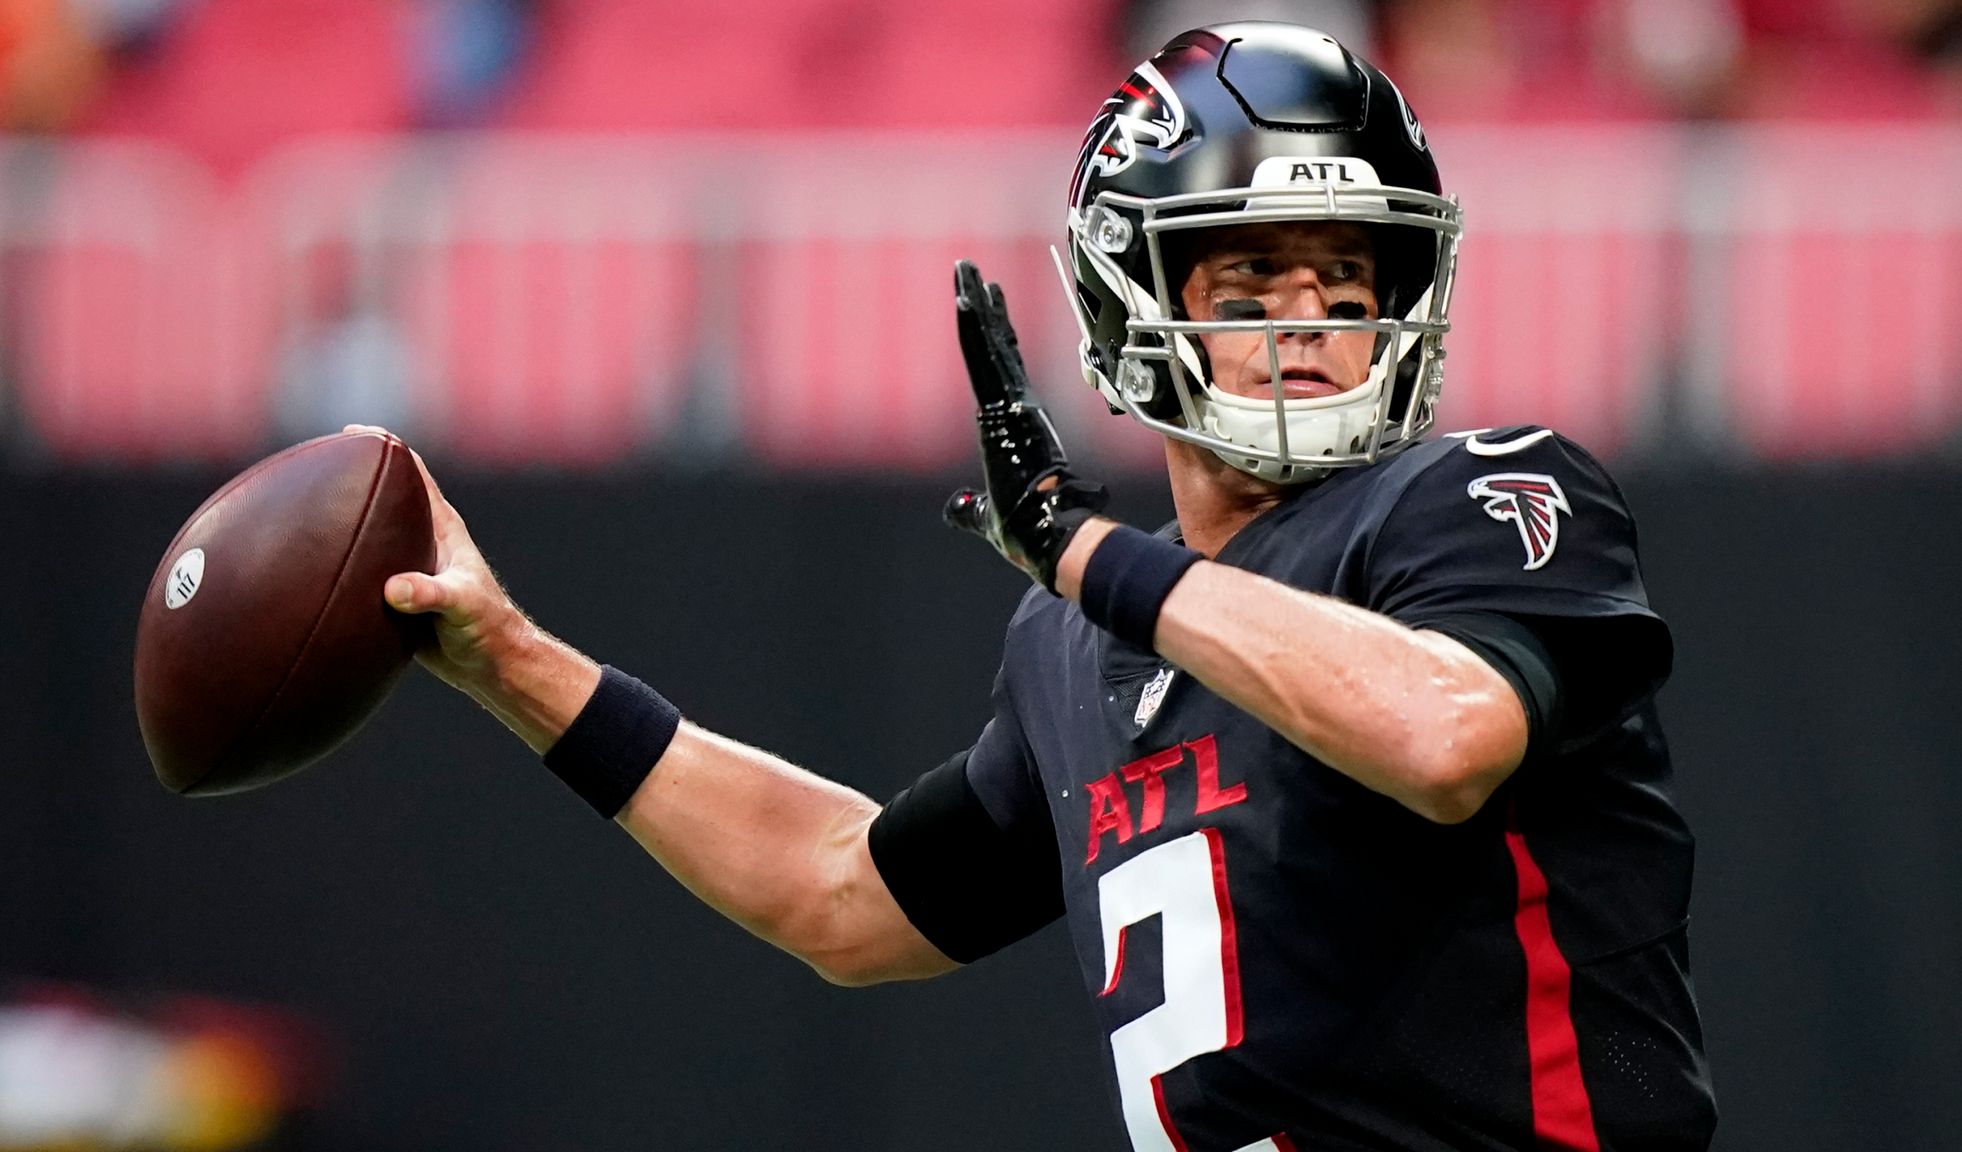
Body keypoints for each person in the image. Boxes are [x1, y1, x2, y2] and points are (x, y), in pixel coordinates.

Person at [373, 21, 1716, 1151]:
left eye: (1348, 276)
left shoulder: (1478, 492)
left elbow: (1443, 733)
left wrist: (1087, 551)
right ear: (1134, 299)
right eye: (1249, 278)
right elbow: (841, 896)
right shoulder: (1079, 642)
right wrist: (515, 662)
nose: (1308, 317)